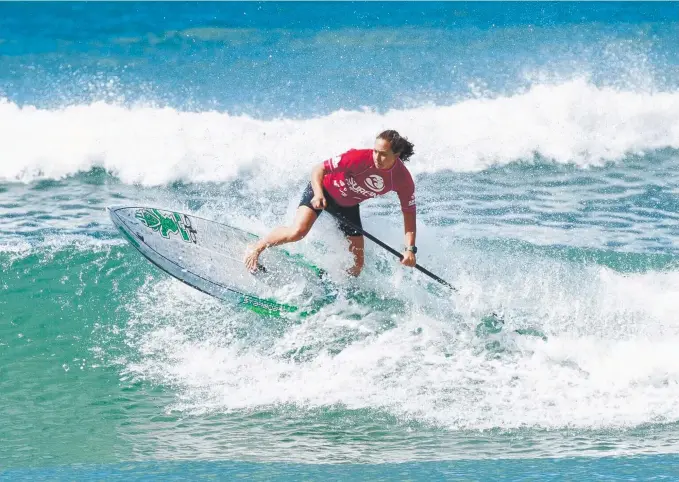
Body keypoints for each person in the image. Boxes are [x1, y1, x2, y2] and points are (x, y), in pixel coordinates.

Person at [244, 130, 418, 276]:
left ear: (396, 155)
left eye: (383, 154)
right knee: (298, 232)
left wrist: (409, 249)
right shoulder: (358, 157)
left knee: (357, 266)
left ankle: (331, 280)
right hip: (323, 191)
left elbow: (409, 214)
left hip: (348, 206)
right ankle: (257, 247)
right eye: (375, 151)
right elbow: (318, 169)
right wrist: (318, 194)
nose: (376, 158)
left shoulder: (403, 180)